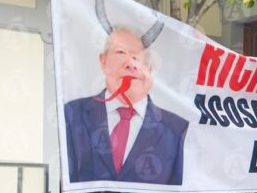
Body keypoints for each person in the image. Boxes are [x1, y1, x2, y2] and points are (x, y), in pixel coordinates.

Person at [64, 27, 187, 185]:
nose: (130, 64)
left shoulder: (175, 129)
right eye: (121, 53)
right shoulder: (72, 114)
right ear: (103, 61)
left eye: (136, 57)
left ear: (149, 70)